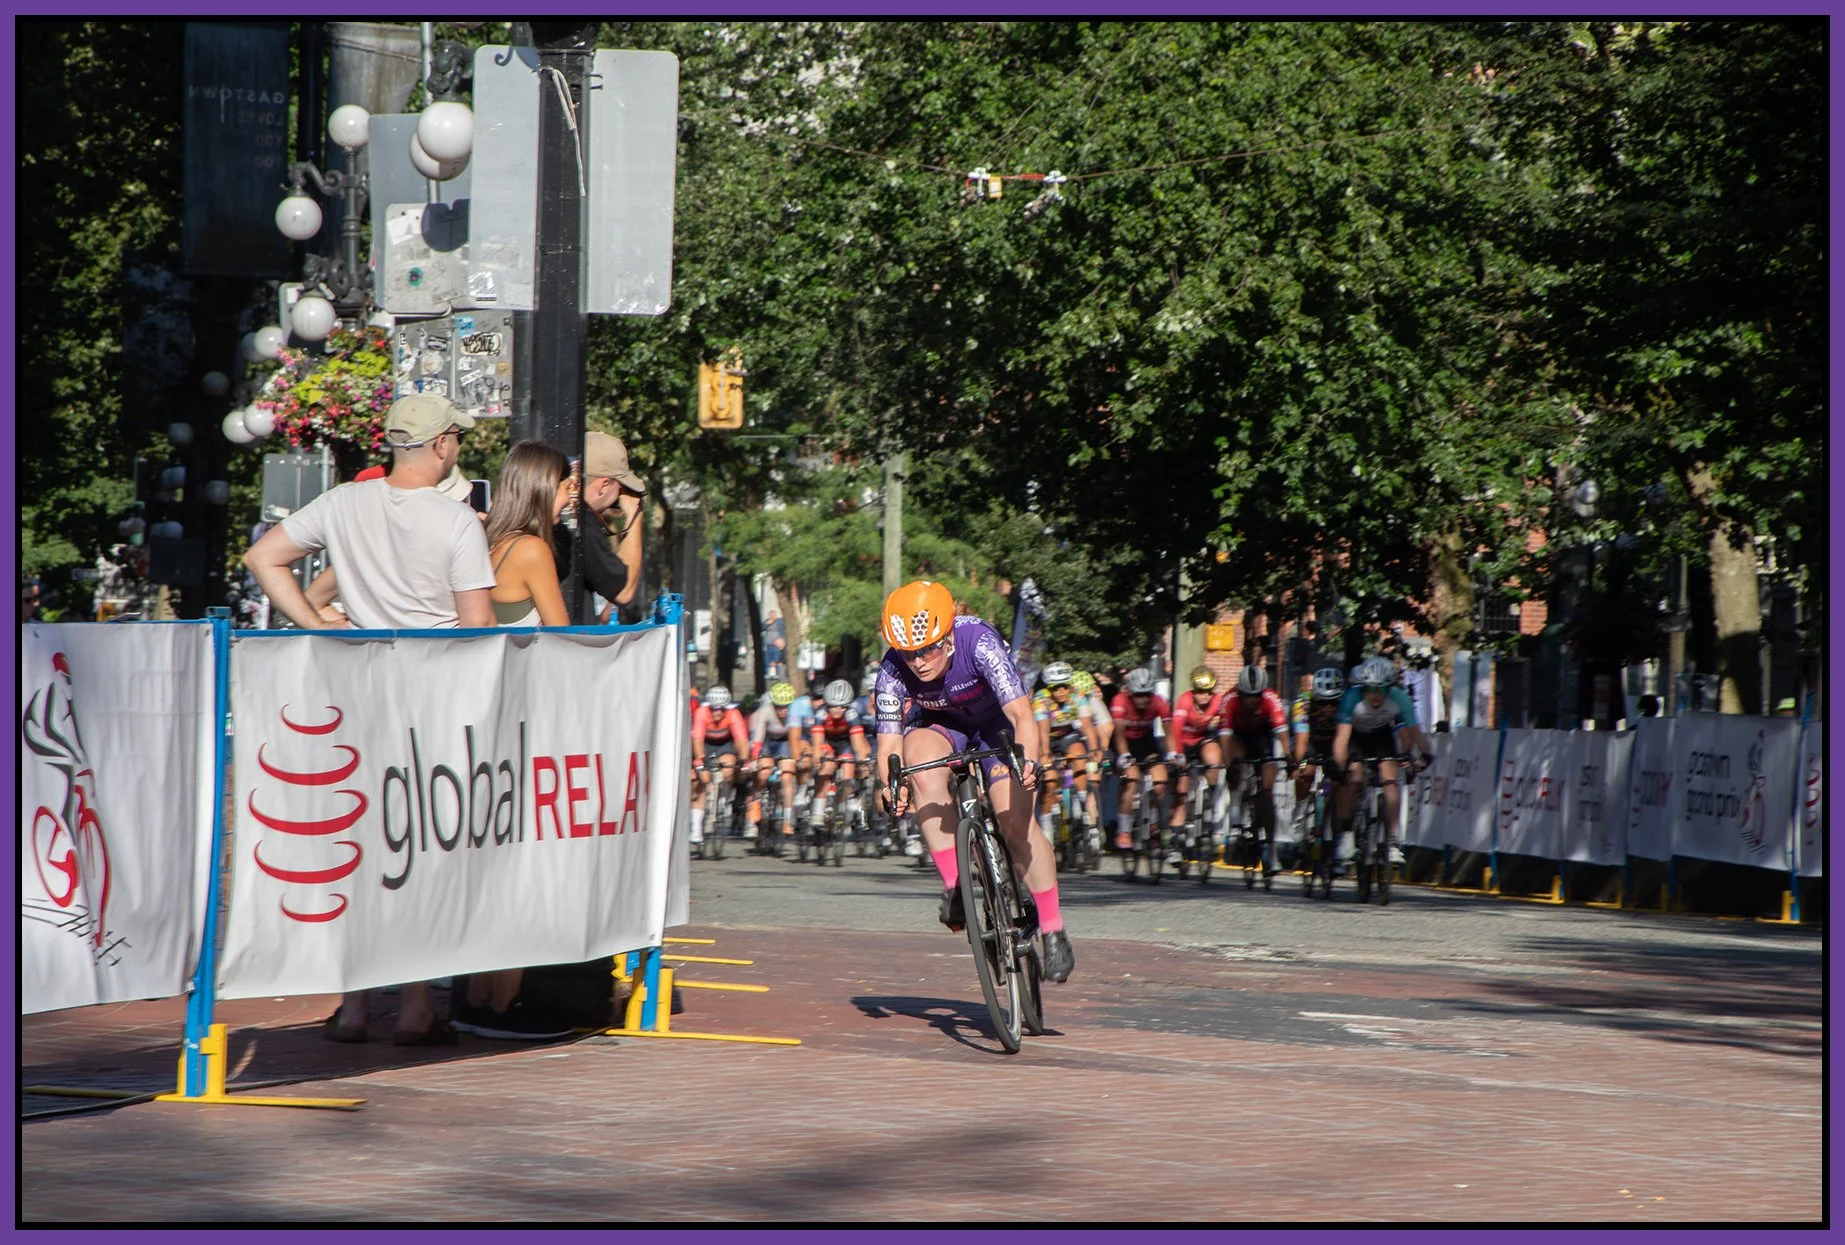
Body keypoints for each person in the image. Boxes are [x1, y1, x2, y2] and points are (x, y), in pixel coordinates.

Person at [242, 393, 495, 1047]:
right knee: (415, 851)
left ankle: (354, 1005)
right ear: (441, 444)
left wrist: (315, 625)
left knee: (362, 847)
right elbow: (478, 632)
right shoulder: (456, 521)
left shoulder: (343, 504)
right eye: (456, 440)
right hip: (432, 706)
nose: (457, 450)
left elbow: (263, 557)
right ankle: (414, 1005)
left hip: (356, 696)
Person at [874, 580, 1073, 984]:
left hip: (994, 724)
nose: (920, 662)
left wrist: (1028, 762)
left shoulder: (979, 641)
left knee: (1014, 821)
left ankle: (1053, 929)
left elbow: (1020, 714)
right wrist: (890, 787)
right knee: (917, 764)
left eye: (928, 648)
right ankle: (956, 887)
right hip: (940, 727)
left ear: (947, 635)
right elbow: (889, 745)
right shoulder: (892, 668)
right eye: (910, 653)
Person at [1331, 656, 1433, 854]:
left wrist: (1426, 754)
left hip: (1381, 737)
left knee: (1390, 781)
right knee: (1354, 778)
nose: (1376, 696)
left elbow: (1415, 733)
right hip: (1356, 738)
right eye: (1371, 689)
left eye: (1382, 690)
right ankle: (1346, 834)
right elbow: (1341, 737)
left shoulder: (1399, 697)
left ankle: (1393, 840)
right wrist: (1340, 764)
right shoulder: (1352, 697)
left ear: (1390, 687)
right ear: (1364, 687)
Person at [482, 441, 573, 628]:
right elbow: (562, 636)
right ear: (546, 488)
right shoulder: (531, 550)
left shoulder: (491, 540)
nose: (569, 500)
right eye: (567, 489)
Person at [1225, 665, 1290, 880]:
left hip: (1263, 737)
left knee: (1268, 792)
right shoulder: (1230, 699)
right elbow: (1225, 737)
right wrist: (1228, 764)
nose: (1252, 700)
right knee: (1236, 765)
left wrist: (1289, 756)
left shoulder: (1271, 698)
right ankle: (1236, 814)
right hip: (1238, 737)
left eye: (1256, 696)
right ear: (1240, 692)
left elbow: (1281, 731)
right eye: (1247, 696)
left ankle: (1271, 851)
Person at [1032, 661, 1103, 850]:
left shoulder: (1078, 697)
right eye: (1056, 688)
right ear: (1049, 688)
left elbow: (1087, 725)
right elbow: (1043, 729)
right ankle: (1046, 828)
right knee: (1049, 782)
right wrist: (1046, 754)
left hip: (1068, 736)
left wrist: (1095, 749)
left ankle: (1083, 811)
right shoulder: (1041, 699)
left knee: (1080, 756)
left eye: (1065, 686)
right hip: (1045, 738)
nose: (1061, 691)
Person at [578, 431, 646, 623]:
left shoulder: (555, 512)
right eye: (620, 488)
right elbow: (624, 591)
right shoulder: (583, 522)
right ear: (603, 485)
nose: (619, 496)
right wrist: (635, 514)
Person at [1109, 668, 1172, 851]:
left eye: (1146, 695)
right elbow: (1119, 733)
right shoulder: (1120, 700)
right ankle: (1124, 831)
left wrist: (1173, 753)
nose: (1142, 700)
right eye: (1138, 695)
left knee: (1160, 783)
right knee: (1132, 780)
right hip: (1123, 743)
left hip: (1146, 742)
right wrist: (1123, 756)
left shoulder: (1159, 702)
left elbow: (1169, 731)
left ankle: (1153, 826)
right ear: (1130, 692)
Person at [1167, 665, 1230, 844]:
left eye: (1209, 692)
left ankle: (1211, 802)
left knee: (1214, 760)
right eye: (1200, 692)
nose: (1205, 696)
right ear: (1193, 691)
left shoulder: (1218, 700)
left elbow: (1227, 725)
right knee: (1181, 790)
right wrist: (1178, 756)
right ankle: (1175, 835)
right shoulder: (1185, 700)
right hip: (1183, 742)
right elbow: (1176, 730)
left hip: (1202, 740)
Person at [1291, 664, 1347, 839]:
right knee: (1305, 773)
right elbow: (1301, 741)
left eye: (1333, 702)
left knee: (1340, 781)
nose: (1329, 708)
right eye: (1323, 702)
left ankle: (1337, 828)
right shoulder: (1303, 704)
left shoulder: (1346, 703)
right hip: (1311, 740)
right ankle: (1300, 810)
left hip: (1335, 742)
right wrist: (1298, 764)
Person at [690, 685, 749, 845]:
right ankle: (696, 829)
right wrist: (700, 761)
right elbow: (697, 740)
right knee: (700, 781)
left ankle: (724, 797)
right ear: (709, 706)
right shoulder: (701, 713)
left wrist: (743, 759)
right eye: (714, 708)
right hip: (705, 744)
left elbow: (741, 739)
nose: (718, 712)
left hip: (725, 744)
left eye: (721, 709)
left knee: (729, 765)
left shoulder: (733, 714)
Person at [811, 678, 872, 828]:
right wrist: (818, 757)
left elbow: (857, 742)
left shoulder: (851, 714)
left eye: (842, 707)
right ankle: (817, 812)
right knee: (826, 768)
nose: (837, 710)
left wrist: (861, 761)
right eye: (833, 706)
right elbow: (818, 741)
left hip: (845, 742)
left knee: (848, 768)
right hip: (828, 741)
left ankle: (841, 805)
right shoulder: (821, 713)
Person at [749, 682, 801, 838]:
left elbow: (797, 737)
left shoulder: (795, 712)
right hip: (767, 741)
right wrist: (754, 759)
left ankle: (787, 820)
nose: (783, 710)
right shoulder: (765, 711)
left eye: (786, 706)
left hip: (785, 742)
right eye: (778, 706)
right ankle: (754, 813)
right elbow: (757, 738)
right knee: (763, 773)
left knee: (787, 777)